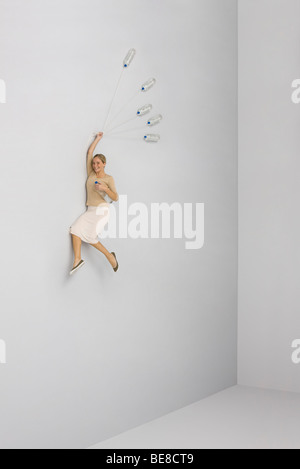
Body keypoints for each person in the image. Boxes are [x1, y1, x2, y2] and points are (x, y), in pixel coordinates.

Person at [69, 132, 119, 275]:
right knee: (75, 230)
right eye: (94, 163)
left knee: (90, 236)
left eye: (98, 163)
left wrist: (105, 188)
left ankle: (110, 257)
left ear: (104, 164)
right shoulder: (91, 173)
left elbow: (115, 197)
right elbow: (90, 152)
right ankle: (77, 259)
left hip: (102, 211)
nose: (95, 165)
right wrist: (98, 138)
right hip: (90, 210)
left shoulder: (109, 178)